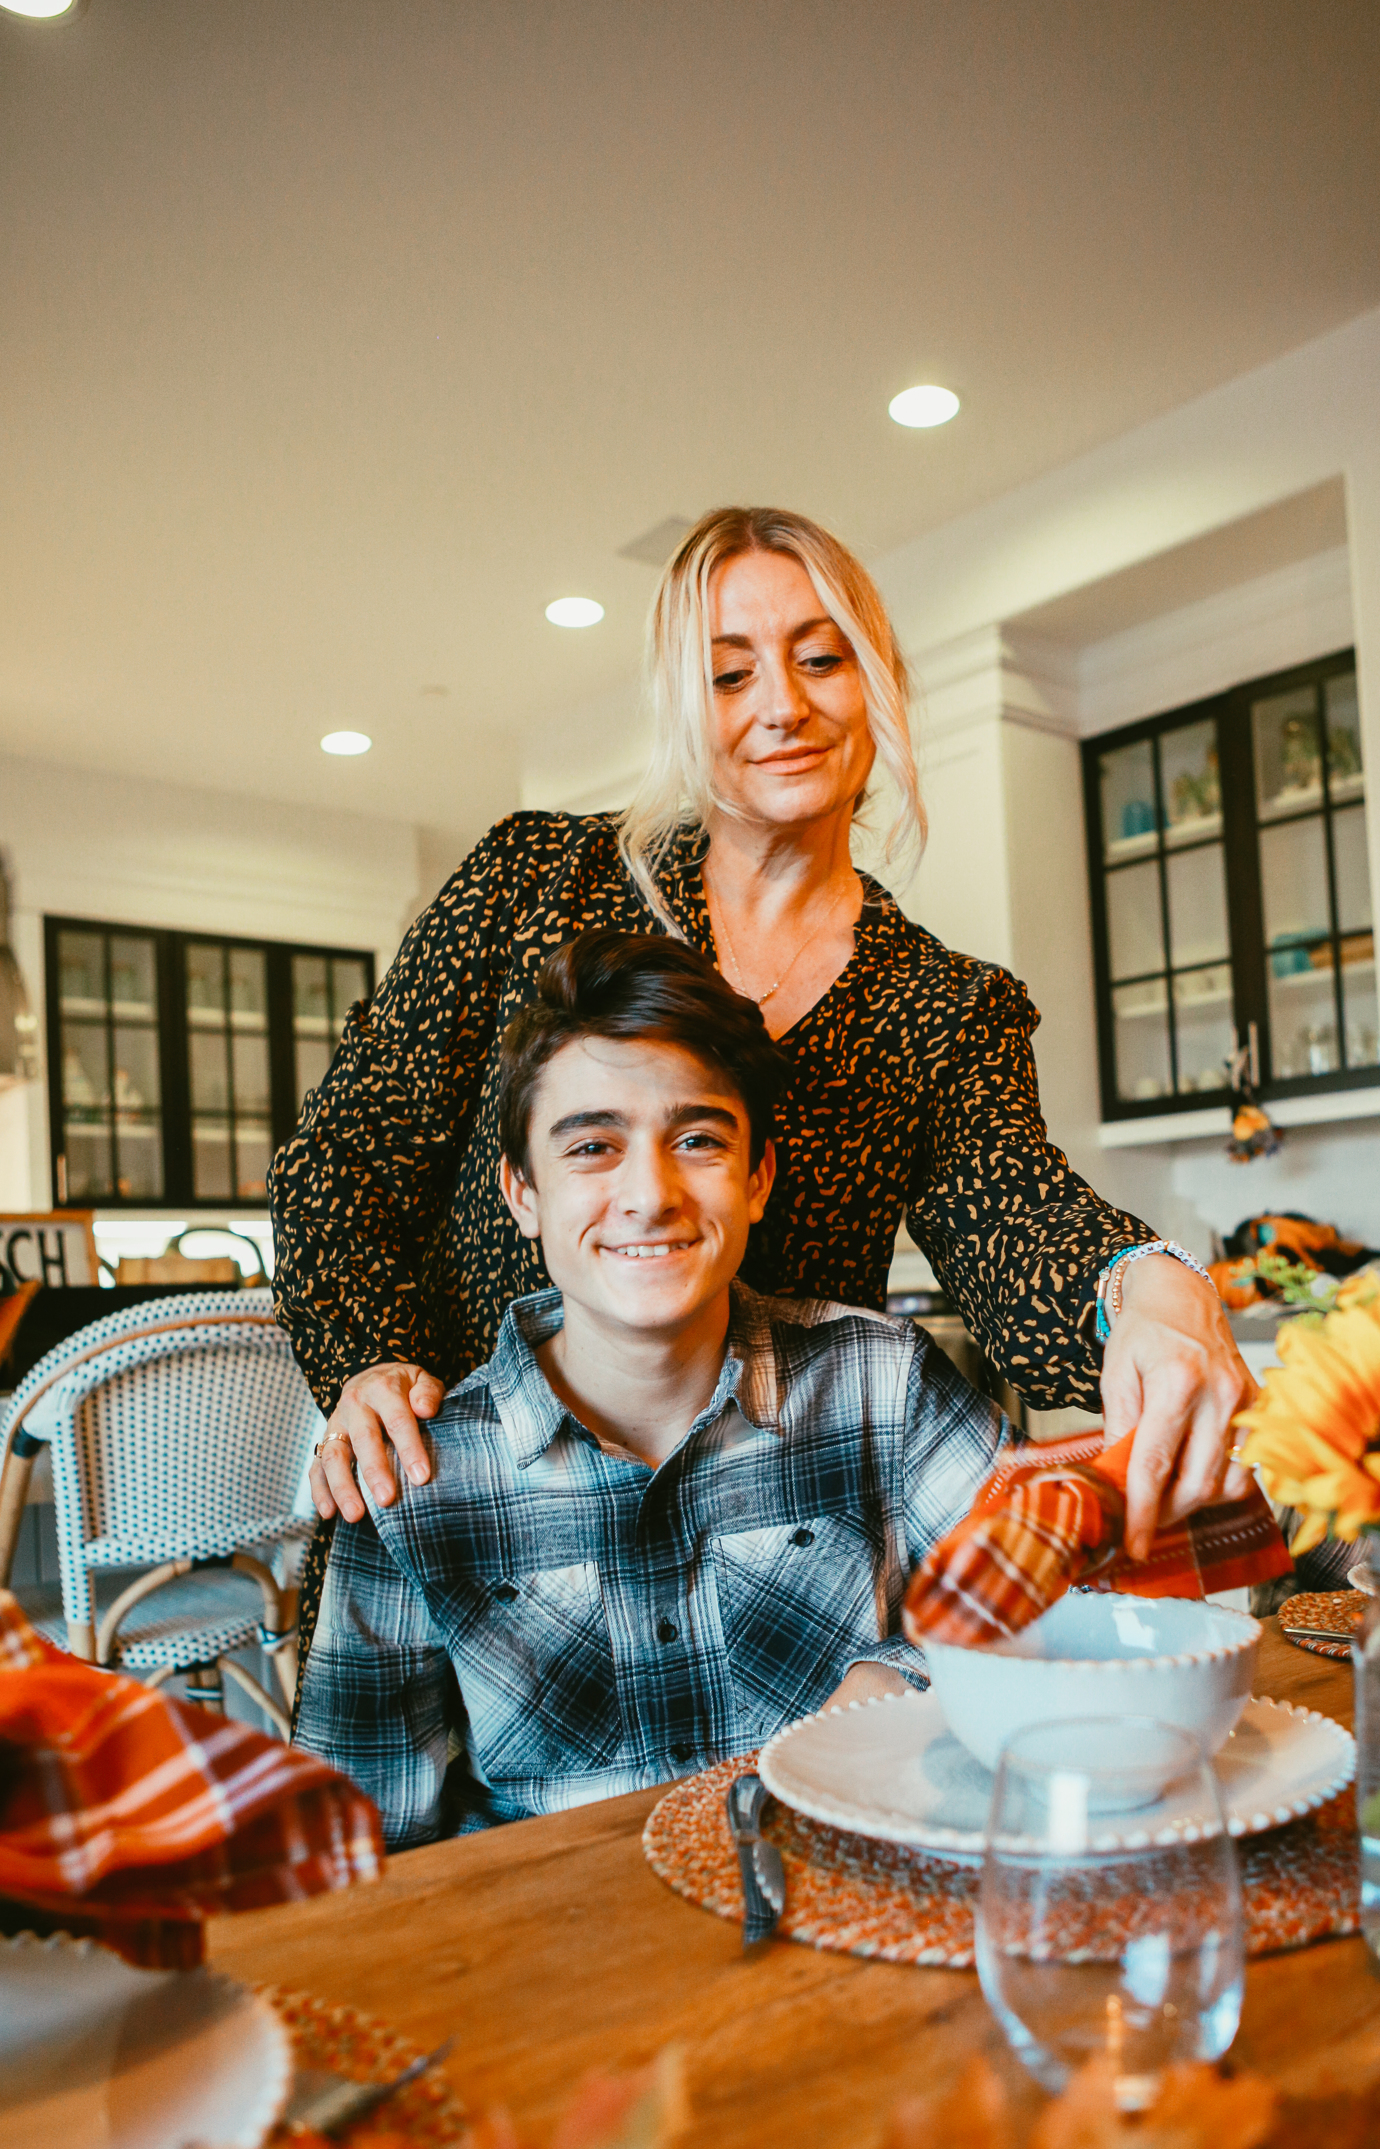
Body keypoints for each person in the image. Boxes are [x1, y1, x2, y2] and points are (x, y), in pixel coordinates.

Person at [270, 506, 1250, 1657]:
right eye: (729, 674)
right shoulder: (533, 881)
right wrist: (370, 1362)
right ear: (683, 709)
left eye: (820, 658)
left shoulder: (936, 1008)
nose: (782, 705)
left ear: (875, 680)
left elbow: (1018, 1219)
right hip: (484, 1552)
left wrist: (1150, 1288)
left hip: (765, 1578)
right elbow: (342, 1161)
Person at [295, 933, 1011, 1847]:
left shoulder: (886, 1384)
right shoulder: (413, 1475)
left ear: (756, 1180)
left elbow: (1053, 1615)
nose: (650, 1194)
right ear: (522, 1194)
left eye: (698, 1140)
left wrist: (901, 1679)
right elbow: (354, 1860)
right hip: (556, 1966)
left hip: (851, 1930)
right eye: (592, 1146)